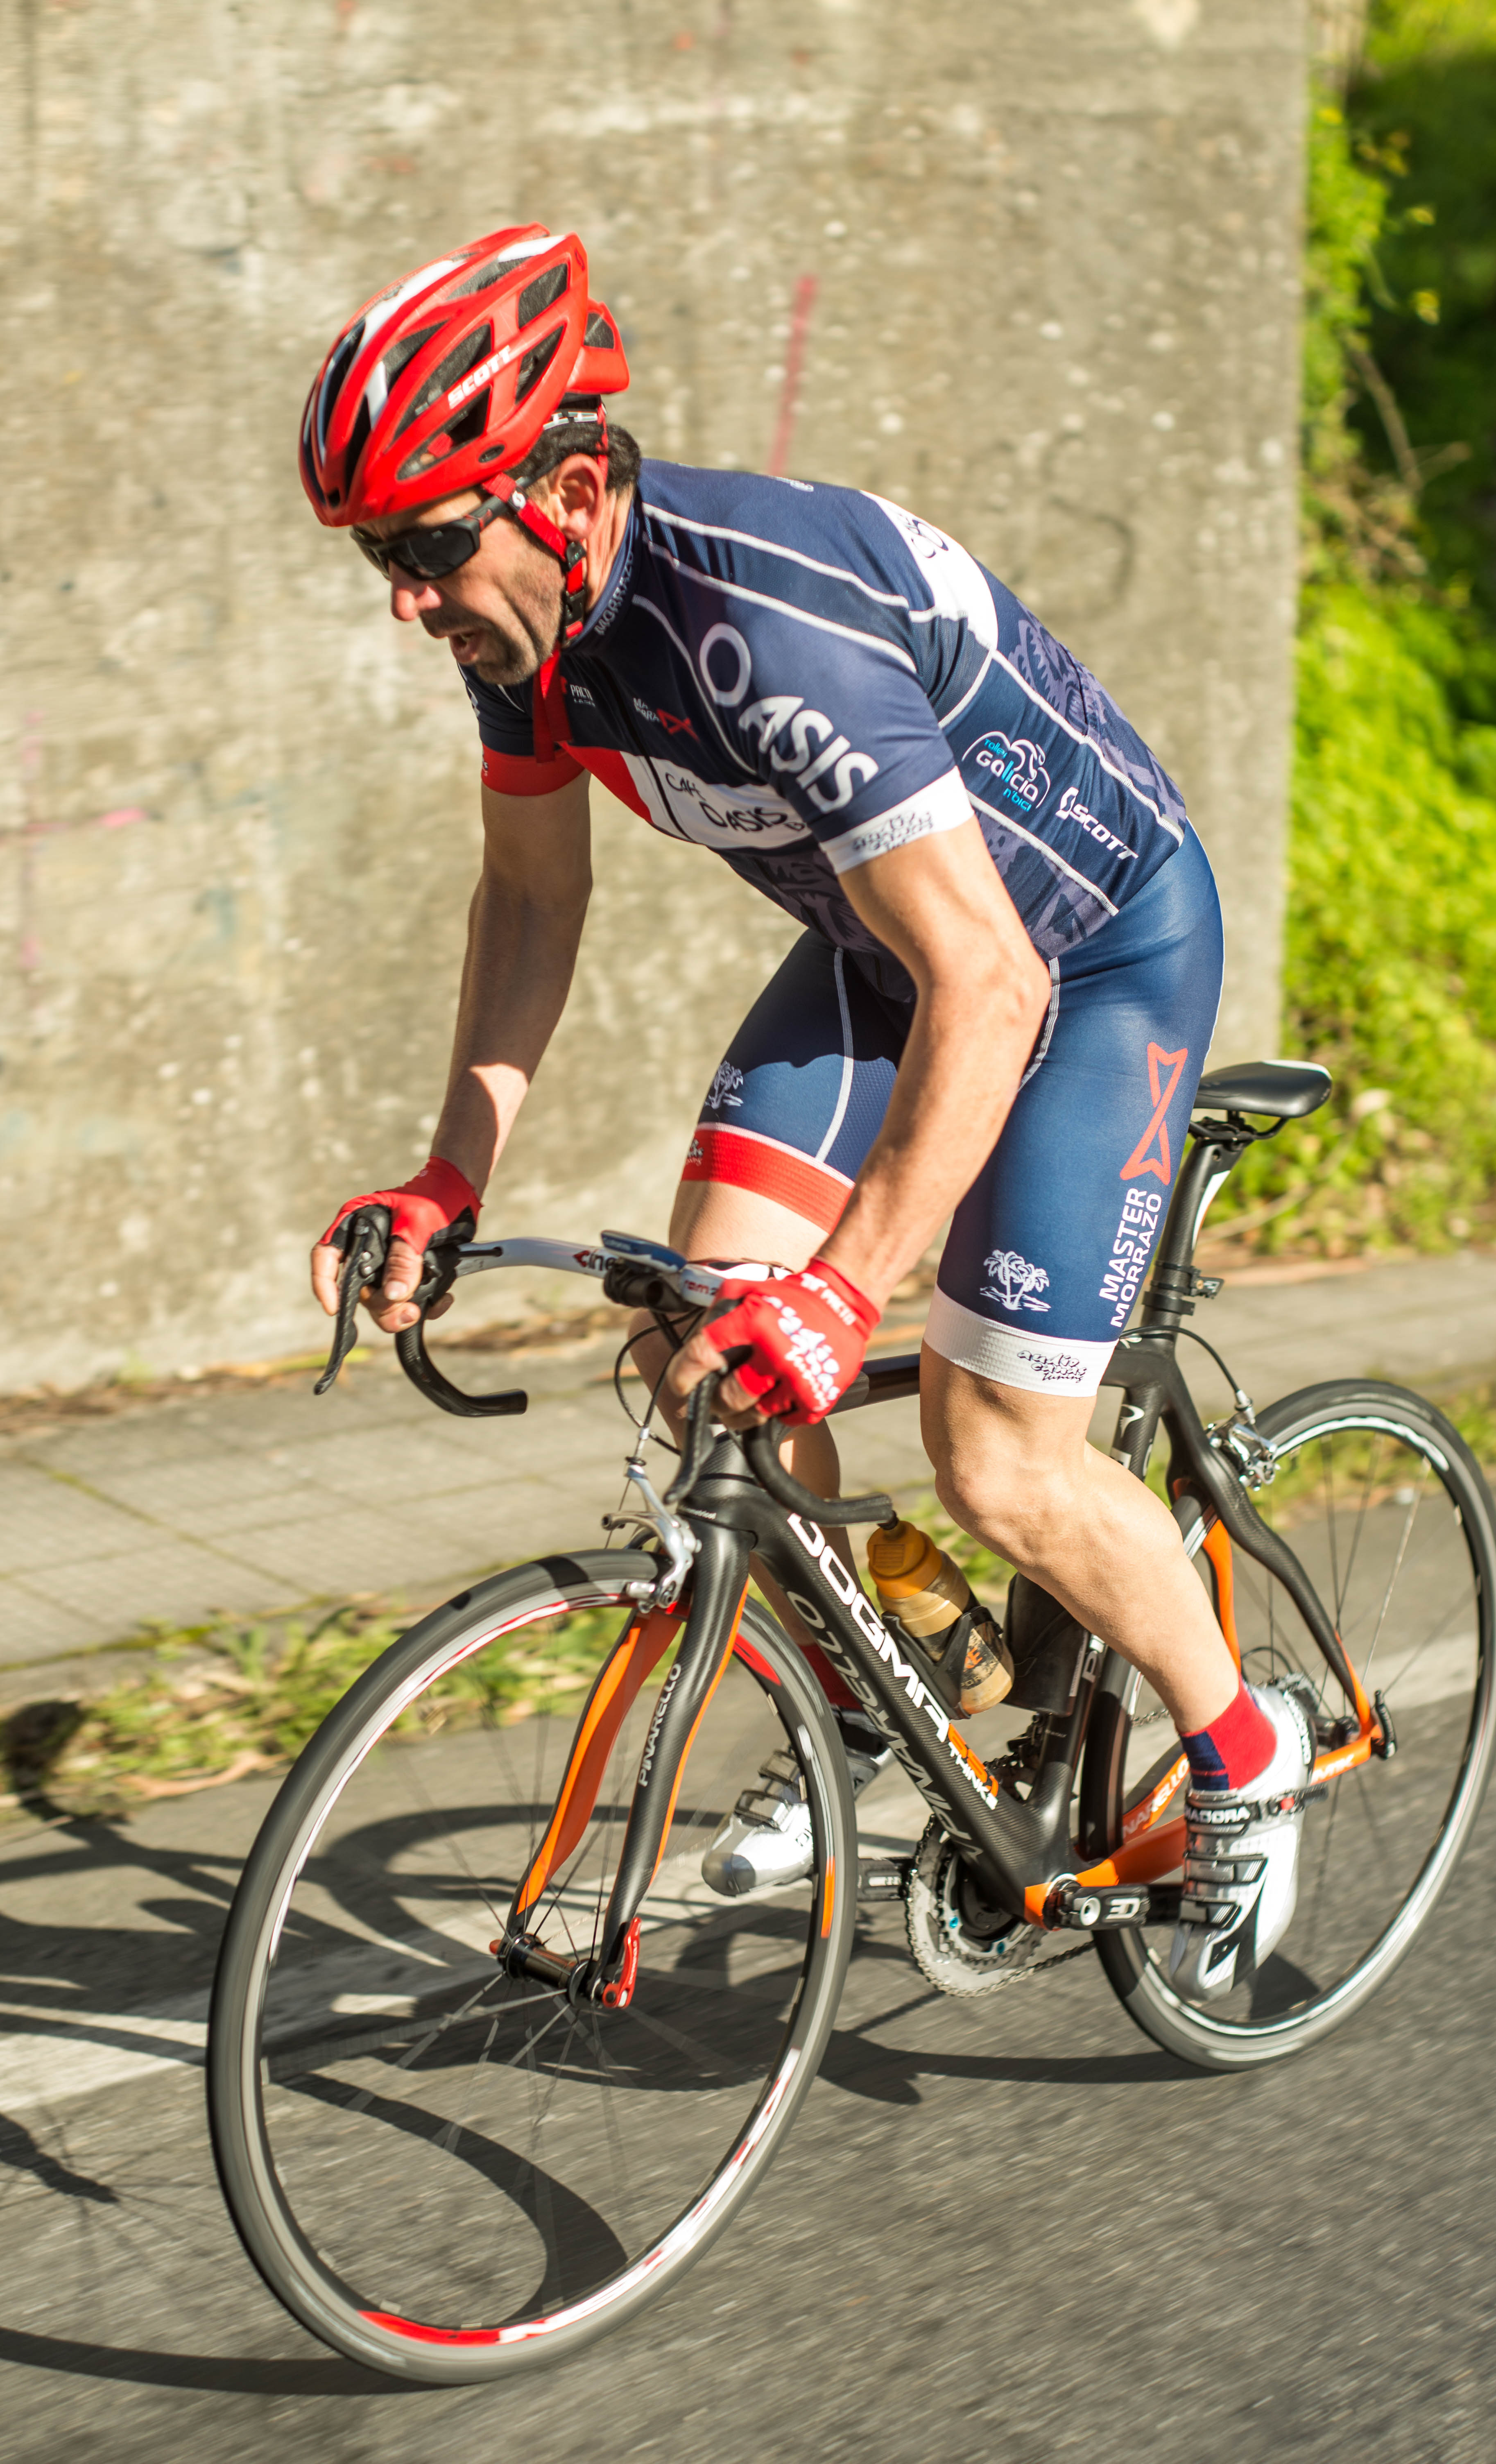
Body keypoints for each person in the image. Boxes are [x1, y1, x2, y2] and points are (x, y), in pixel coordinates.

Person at [303, 226, 1313, 2000]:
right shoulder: (526, 632)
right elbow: (531, 898)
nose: (405, 595)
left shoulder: (761, 627)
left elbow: (991, 985)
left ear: (567, 492)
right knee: (699, 1343)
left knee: (996, 1455)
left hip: (1085, 961)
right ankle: (887, 1694)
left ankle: (1245, 1749)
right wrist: (451, 1174)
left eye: (426, 544)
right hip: (889, 950)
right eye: (381, 554)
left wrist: (847, 1287)